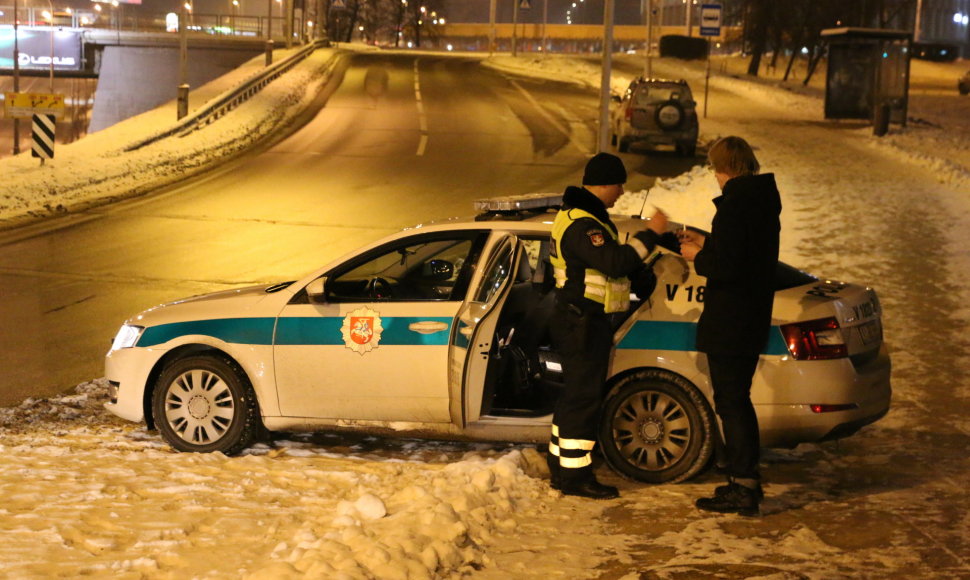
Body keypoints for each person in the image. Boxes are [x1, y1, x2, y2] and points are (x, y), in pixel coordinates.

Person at [547, 152, 668, 499]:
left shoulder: (579, 217)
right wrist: (650, 235)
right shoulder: (584, 225)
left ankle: (561, 467)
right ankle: (575, 477)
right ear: (604, 183)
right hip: (582, 322)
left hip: (580, 319)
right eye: (618, 186)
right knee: (583, 399)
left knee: (573, 398)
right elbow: (614, 262)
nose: (620, 193)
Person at [678, 136, 781, 516]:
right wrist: (709, 242)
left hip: (732, 320)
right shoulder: (760, 200)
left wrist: (697, 255)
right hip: (748, 317)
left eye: (714, 169)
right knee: (735, 401)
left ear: (725, 168)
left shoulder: (737, 203)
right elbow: (744, 252)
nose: (715, 177)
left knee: (732, 403)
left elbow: (728, 266)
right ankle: (742, 481)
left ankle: (744, 486)